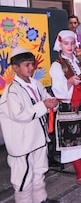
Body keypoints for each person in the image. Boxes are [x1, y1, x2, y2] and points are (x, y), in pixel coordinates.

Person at [0, 47, 59, 203]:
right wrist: (43, 105)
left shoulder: (36, 83)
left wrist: (53, 103)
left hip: (39, 139)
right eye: (27, 65)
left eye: (32, 64)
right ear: (15, 67)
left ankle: (40, 199)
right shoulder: (12, 91)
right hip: (23, 144)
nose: (31, 68)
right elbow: (19, 115)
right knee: (23, 178)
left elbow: (46, 100)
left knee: (39, 172)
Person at [49, 30, 81, 186]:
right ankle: (80, 175)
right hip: (69, 109)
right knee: (73, 144)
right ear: (60, 44)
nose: (70, 46)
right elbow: (58, 90)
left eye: (72, 43)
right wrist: (69, 81)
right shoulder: (57, 66)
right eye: (66, 43)